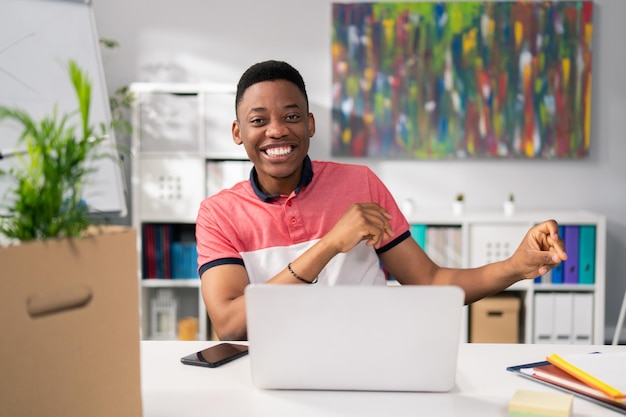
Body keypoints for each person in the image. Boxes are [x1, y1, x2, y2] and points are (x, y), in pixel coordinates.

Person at [196, 60, 567, 341]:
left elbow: (430, 281)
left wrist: (516, 266)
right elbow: (229, 325)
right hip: (277, 371)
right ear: (238, 132)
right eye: (258, 121)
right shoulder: (218, 214)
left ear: (310, 124)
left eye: (291, 116)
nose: (276, 130)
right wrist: (330, 245)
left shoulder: (360, 183)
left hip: (372, 357)